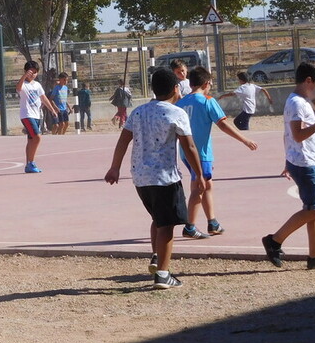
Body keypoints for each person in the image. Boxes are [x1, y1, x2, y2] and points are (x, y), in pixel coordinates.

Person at [105, 67, 207, 289]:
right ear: (175, 88)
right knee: (167, 226)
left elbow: (123, 140)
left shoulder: (139, 112)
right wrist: (199, 174)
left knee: (159, 219)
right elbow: (189, 146)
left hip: (141, 178)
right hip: (164, 178)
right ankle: (163, 274)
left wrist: (115, 167)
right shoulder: (176, 113)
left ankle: (156, 256)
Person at [262, 61, 315, 270]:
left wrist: (286, 160)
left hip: (308, 160)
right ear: (308, 81)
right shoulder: (297, 103)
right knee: (313, 209)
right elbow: (297, 135)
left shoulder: (304, 100)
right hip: (304, 163)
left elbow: (287, 135)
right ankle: (274, 240)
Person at [177, 66, 258, 238]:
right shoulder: (207, 101)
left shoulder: (181, 102)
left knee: (206, 185)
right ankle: (189, 226)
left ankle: (212, 222)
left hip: (185, 152)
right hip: (201, 153)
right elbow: (222, 124)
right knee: (199, 187)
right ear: (207, 83)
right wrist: (245, 140)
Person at [16, 60, 59, 173]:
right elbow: (18, 88)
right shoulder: (23, 84)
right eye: (31, 72)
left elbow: (43, 98)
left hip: (36, 115)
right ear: (26, 72)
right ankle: (31, 162)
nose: (33, 74)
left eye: (35, 72)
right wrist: (24, 76)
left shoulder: (37, 85)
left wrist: (52, 109)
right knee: (37, 137)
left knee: (31, 140)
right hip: (27, 115)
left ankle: (29, 164)